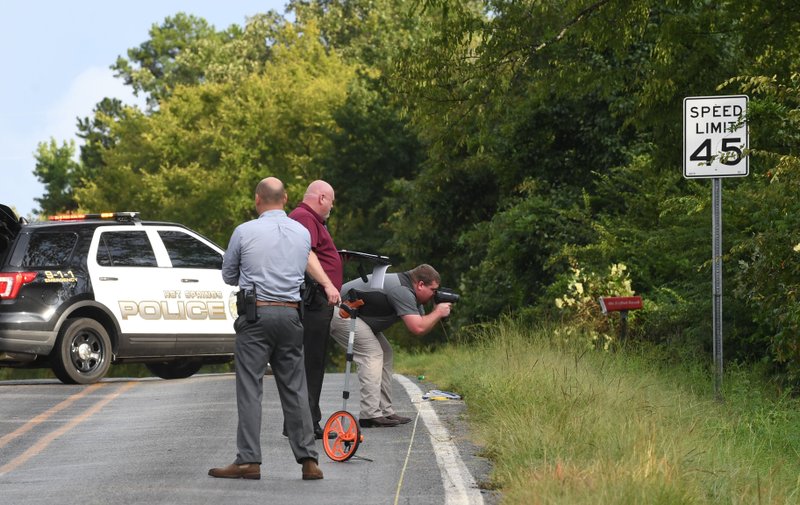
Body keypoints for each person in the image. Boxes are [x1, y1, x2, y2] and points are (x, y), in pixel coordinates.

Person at [209, 177, 340, 481]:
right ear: (286, 199)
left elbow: (229, 275)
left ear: (257, 199)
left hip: (256, 317)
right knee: (295, 386)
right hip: (292, 315)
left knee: (251, 388)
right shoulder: (301, 232)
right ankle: (309, 461)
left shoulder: (244, 231)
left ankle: (249, 460)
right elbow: (306, 266)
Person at [329, 264, 452, 427]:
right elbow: (418, 327)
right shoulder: (402, 290)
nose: (434, 295)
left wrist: (437, 313)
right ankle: (370, 415)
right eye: (433, 290)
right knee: (372, 353)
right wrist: (437, 312)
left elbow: (422, 326)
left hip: (357, 315)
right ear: (420, 284)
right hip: (340, 310)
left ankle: (385, 411)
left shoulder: (413, 294)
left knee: (385, 352)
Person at [288, 180, 342, 439]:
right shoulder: (304, 217)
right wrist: (328, 283)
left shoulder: (309, 220)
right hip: (313, 299)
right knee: (311, 362)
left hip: (317, 299)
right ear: (321, 197)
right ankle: (306, 424)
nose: (332, 206)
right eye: (331, 200)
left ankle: (301, 422)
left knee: (312, 361)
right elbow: (306, 254)